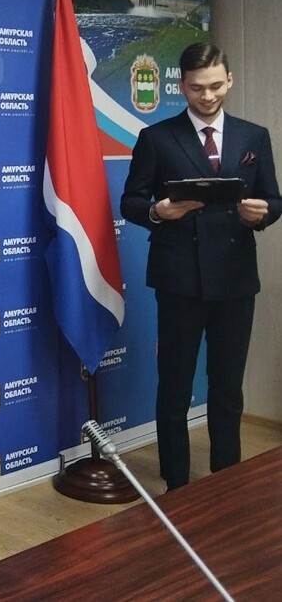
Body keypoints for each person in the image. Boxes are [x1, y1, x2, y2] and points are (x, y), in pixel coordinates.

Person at [120, 43, 281, 491]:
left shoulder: (253, 136)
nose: (207, 96)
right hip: (179, 279)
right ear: (181, 85)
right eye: (196, 88)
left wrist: (261, 214)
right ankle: (176, 484)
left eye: (214, 86)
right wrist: (157, 212)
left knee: (228, 388)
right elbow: (131, 201)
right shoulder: (156, 137)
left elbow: (274, 198)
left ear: (229, 80)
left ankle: (226, 481)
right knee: (174, 386)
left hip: (235, 277)